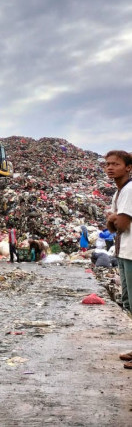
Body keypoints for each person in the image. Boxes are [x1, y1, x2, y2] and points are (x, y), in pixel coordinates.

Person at [103, 150, 132, 367]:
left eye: (115, 164)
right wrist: (113, 219)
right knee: (128, 303)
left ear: (128, 167)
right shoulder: (118, 193)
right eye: (107, 164)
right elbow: (111, 227)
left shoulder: (130, 190)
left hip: (131, 254)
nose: (110, 167)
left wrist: (113, 218)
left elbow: (120, 225)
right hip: (123, 252)